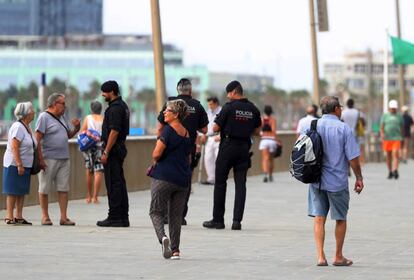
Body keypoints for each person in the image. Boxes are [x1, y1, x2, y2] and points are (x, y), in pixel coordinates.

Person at [307, 96, 364, 267]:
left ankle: (321, 256)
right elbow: (353, 158)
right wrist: (359, 177)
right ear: (337, 109)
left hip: (316, 180)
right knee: (340, 218)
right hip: (337, 181)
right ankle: (338, 256)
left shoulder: (313, 125)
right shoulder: (343, 128)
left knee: (319, 218)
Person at [203, 80, 261, 230]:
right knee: (241, 185)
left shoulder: (229, 107)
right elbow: (257, 131)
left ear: (234, 91)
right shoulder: (253, 108)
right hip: (243, 148)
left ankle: (218, 220)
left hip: (228, 147)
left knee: (220, 183)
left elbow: (215, 127)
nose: (228, 96)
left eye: (229, 93)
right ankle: (237, 222)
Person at [157, 78, 208, 225]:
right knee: (185, 181)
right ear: (190, 91)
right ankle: (180, 215)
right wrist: (192, 125)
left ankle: (167, 215)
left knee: (166, 179)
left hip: (168, 147)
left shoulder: (170, 104)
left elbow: (160, 126)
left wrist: (159, 142)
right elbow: (204, 129)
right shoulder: (197, 105)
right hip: (188, 148)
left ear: (177, 90)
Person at [149, 100, 192, 260]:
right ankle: (175, 250)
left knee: (156, 211)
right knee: (175, 216)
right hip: (182, 180)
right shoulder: (187, 133)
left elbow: (156, 154)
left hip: (163, 177)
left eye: (167, 111)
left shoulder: (167, 131)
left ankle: (162, 238)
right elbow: (188, 158)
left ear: (175, 115)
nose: (164, 113)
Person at [35, 93, 80, 226]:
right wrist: (40, 159)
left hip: (64, 158)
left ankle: (63, 217)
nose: (65, 107)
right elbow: (36, 140)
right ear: (54, 104)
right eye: (63, 104)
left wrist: (76, 129)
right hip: (48, 158)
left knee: (63, 188)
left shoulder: (62, 117)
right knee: (44, 188)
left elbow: (67, 135)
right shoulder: (44, 117)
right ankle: (45, 216)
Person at [97, 80, 130, 227]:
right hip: (119, 148)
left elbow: (114, 131)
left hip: (114, 150)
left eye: (104, 92)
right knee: (119, 183)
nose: (103, 95)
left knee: (113, 183)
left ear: (111, 92)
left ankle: (115, 216)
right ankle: (123, 217)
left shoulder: (115, 108)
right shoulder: (123, 106)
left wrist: (106, 151)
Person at [3, 102, 36, 225]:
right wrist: (19, 164)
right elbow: (15, 146)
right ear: (26, 114)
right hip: (14, 164)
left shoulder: (27, 127)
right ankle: (9, 216)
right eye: (32, 110)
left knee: (21, 190)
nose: (34, 112)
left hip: (25, 164)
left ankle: (19, 216)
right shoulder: (18, 127)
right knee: (12, 191)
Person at [80, 100, 104, 204]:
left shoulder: (88, 118)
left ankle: (89, 196)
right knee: (98, 171)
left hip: (89, 148)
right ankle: (95, 197)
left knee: (89, 171)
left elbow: (82, 132)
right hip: (100, 147)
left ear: (91, 109)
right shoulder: (104, 119)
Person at [200, 96, 221, 185]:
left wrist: (221, 135)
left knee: (218, 159)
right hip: (209, 138)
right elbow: (205, 125)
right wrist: (203, 135)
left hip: (219, 137)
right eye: (209, 104)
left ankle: (219, 178)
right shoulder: (208, 112)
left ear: (216, 103)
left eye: (211, 104)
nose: (210, 106)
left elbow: (225, 125)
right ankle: (211, 178)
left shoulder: (222, 111)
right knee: (208, 158)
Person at [380, 100, 404, 179]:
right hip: (387, 138)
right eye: (392, 108)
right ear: (389, 108)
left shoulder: (399, 116)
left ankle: (395, 170)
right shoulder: (385, 116)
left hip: (396, 138)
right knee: (388, 155)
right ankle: (390, 171)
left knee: (395, 153)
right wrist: (382, 134)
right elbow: (382, 126)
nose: (393, 109)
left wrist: (402, 136)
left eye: (395, 108)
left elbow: (402, 127)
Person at [341, 98, 366, 165]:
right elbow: (362, 123)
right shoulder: (357, 112)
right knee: (354, 151)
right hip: (354, 133)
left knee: (346, 149)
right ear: (353, 104)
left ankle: (347, 165)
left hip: (345, 133)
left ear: (347, 104)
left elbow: (341, 122)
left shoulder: (343, 112)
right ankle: (355, 164)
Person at [259, 105, 278, 183]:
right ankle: (270, 175)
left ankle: (265, 174)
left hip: (264, 140)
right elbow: (274, 130)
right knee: (271, 159)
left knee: (265, 158)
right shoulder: (273, 120)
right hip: (272, 140)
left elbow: (259, 129)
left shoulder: (262, 120)